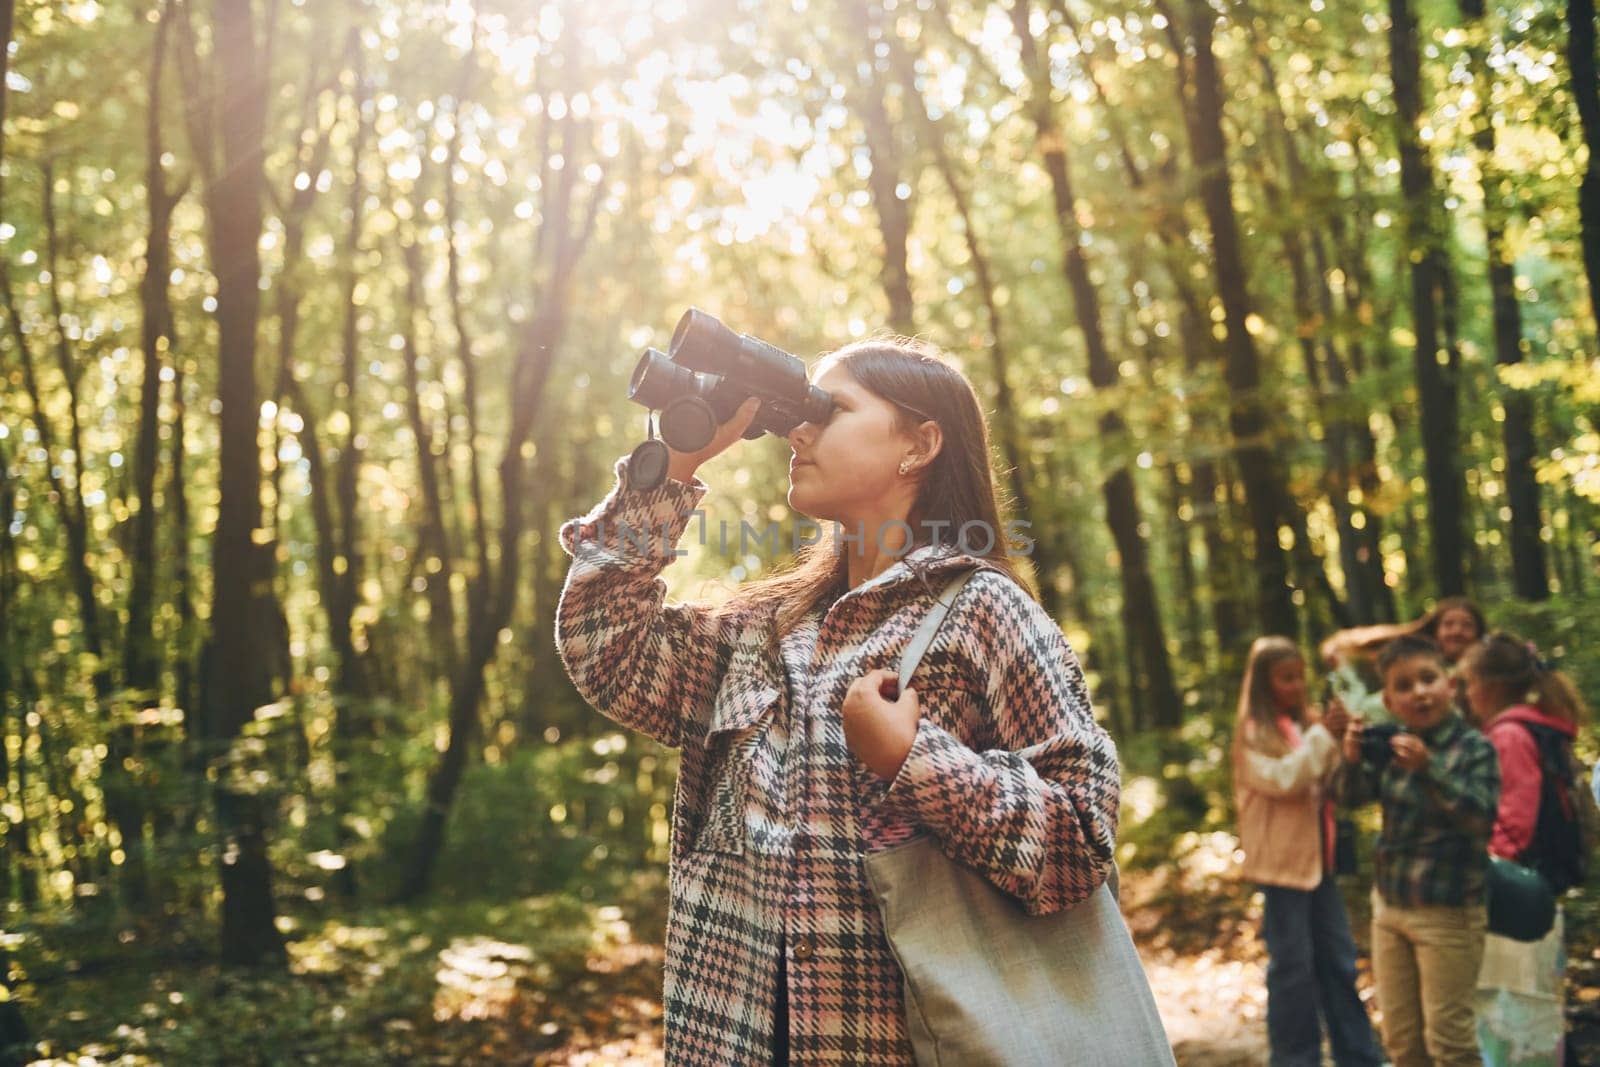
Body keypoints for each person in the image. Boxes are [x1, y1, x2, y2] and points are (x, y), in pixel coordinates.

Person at [555, 336, 1121, 1066]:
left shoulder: (987, 613)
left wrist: (915, 760)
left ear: (919, 444)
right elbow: (604, 647)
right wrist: (677, 464)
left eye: (833, 409)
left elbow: (1080, 843)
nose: (799, 428)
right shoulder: (764, 628)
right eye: (802, 410)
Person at [1338, 634, 1501, 1067]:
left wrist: (1430, 770)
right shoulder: (1392, 745)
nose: (1420, 692)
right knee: (1402, 1043)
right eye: (1404, 686)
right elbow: (1349, 800)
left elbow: (1481, 820)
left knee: (1451, 1044)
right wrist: (1352, 758)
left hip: (1449, 915)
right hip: (1390, 910)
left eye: (1428, 679)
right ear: (1389, 701)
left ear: (1450, 685)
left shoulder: (1475, 748)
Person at [1232, 636, 1385, 1066]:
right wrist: (1323, 736)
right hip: (1283, 870)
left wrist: (1341, 741)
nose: (1297, 686)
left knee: (1339, 962)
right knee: (1293, 971)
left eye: (1300, 676)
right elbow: (1282, 779)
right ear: (1265, 684)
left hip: (1322, 864)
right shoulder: (1252, 734)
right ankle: (1295, 1058)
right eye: (1286, 678)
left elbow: (1331, 779)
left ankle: (1357, 1055)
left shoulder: (1307, 724)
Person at [1460, 633, 1589, 1066]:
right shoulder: (1535, 726)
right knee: (1533, 1000)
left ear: (1491, 685)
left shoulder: (1510, 736)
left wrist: (1484, 867)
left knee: (1512, 1002)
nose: (1467, 694)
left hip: (1515, 894)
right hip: (1536, 886)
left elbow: (1513, 818)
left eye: (1470, 682)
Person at [1320, 597, 1488, 722]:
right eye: (1448, 624)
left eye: (1467, 625)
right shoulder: (1417, 664)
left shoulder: (1487, 676)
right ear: (1435, 630)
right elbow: (1343, 641)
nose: (1457, 631)